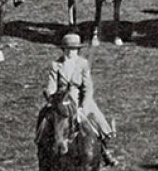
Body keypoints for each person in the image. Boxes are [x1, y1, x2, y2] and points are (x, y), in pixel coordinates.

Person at [41, 33, 118, 167]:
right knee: (45, 120)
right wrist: (51, 95)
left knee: (97, 120)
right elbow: (52, 84)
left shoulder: (83, 64)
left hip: (79, 101)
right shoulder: (56, 65)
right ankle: (41, 146)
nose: (71, 52)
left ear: (78, 50)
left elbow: (88, 88)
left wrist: (83, 107)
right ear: (63, 49)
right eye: (68, 49)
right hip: (60, 101)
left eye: (74, 49)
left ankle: (105, 150)